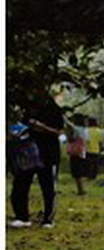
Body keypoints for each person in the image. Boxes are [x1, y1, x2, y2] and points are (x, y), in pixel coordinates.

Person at [18, 96, 65, 227]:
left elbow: (59, 131)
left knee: (48, 188)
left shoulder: (54, 111)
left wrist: (42, 127)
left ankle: (48, 219)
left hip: (48, 154)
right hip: (28, 154)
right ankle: (22, 217)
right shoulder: (27, 110)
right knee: (21, 185)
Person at [66, 116, 89, 195]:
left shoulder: (76, 129)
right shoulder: (85, 129)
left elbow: (72, 138)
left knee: (76, 171)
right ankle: (82, 188)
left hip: (75, 151)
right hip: (82, 151)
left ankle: (80, 190)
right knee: (80, 170)